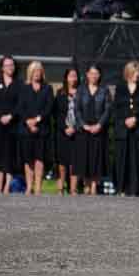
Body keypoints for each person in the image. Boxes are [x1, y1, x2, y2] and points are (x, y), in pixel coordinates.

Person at [113, 61, 139, 197]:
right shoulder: (120, 87)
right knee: (122, 158)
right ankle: (121, 188)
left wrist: (135, 118)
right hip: (123, 130)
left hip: (138, 129)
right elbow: (117, 107)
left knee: (137, 159)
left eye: (138, 73)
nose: (137, 75)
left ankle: (135, 189)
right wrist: (125, 120)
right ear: (128, 73)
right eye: (135, 73)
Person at [16, 61, 54, 195]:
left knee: (39, 159)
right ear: (30, 73)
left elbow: (49, 108)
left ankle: (38, 187)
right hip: (26, 130)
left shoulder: (47, 88)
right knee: (28, 159)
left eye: (39, 71)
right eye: (35, 71)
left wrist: (37, 120)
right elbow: (20, 107)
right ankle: (29, 186)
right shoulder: (24, 88)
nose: (37, 73)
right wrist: (28, 122)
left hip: (42, 129)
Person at [75, 64, 110, 195]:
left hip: (98, 130)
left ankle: (94, 186)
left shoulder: (104, 90)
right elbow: (77, 109)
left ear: (99, 75)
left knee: (97, 159)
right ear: (87, 75)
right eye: (91, 73)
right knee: (85, 158)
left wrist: (99, 125)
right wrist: (83, 125)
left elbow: (107, 110)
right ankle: (86, 184)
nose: (94, 76)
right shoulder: (81, 90)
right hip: (84, 130)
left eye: (96, 73)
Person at [0, 55, 20, 194]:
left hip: (13, 125)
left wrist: (11, 116)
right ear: (2, 67)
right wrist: (0, 116)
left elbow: (20, 104)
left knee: (10, 154)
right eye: (7, 65)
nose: (10, 67)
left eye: (12, 65)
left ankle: (7, 186)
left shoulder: (19, 84)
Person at [54, 67, 80, 195]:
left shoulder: (82, 93)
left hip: (76, 133)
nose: (73, 78)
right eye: (70, 76)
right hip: (62, 132)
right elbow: (57, 114)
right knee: (62, 163)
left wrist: (74, 128)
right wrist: (65, 128)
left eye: (75, 76)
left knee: (74, 163)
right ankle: (60, 189)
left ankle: (73, 189)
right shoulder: (60, 93)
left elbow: (83, 113)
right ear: (66, 78)